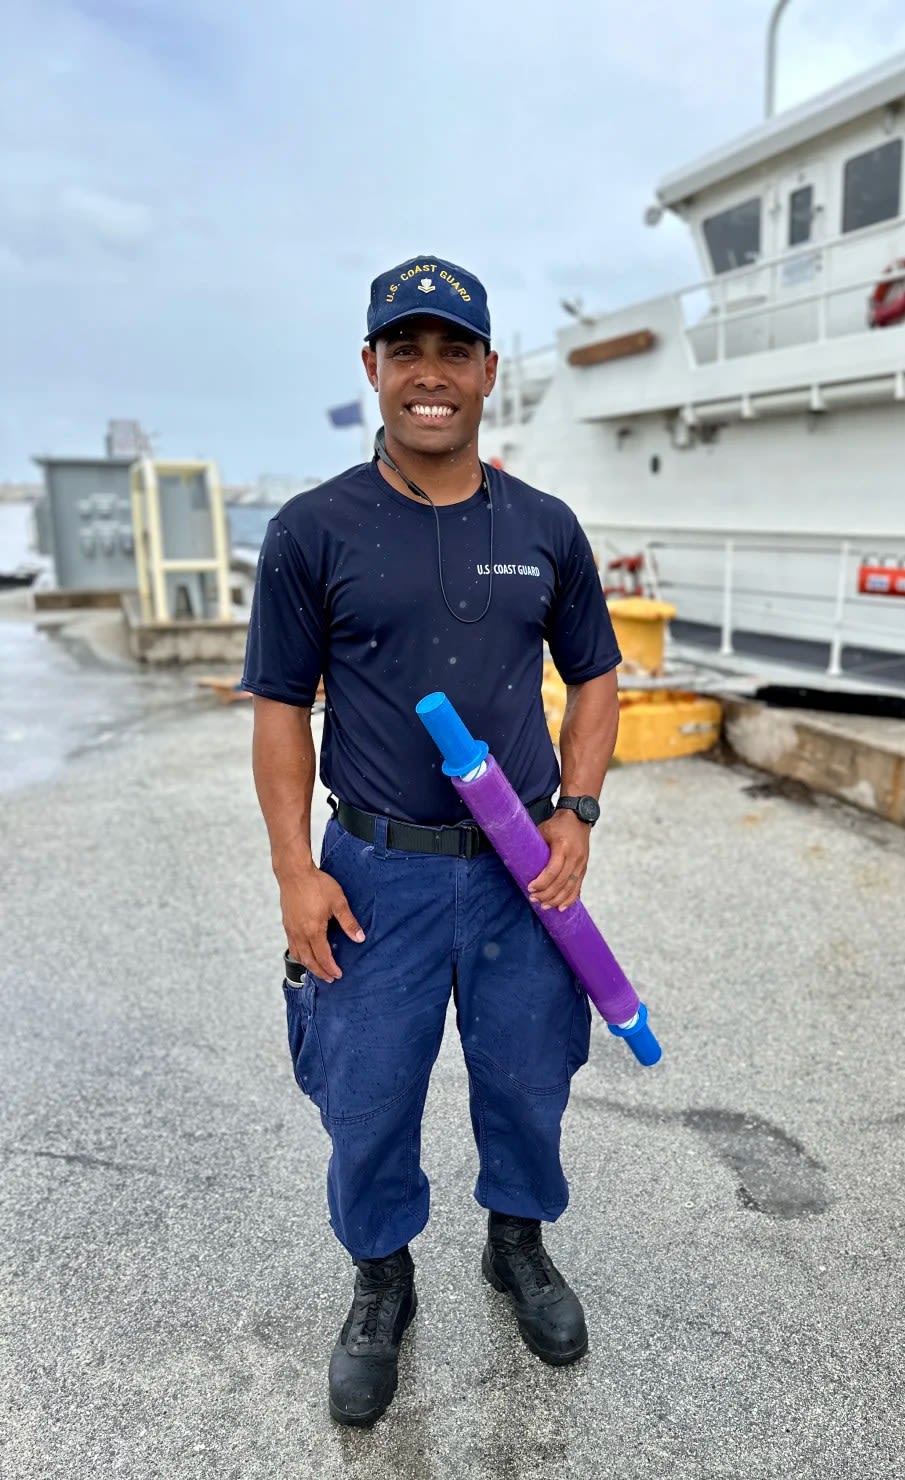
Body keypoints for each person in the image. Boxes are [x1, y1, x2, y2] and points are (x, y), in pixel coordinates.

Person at [242, 254, 622, 1427]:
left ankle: (517, 1242)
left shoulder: (546, 527)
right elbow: (277, 712)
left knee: (526, 1077)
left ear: (488, 372)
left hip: (519, 875)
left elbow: (598, 678)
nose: (430, 374)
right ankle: (381, 1279)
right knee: (367, 1093)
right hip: (373, 870)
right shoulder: (313, 531)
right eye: (404, 349)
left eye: (453, 350)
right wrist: (295, 870)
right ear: (371, 368)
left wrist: (580, 808)